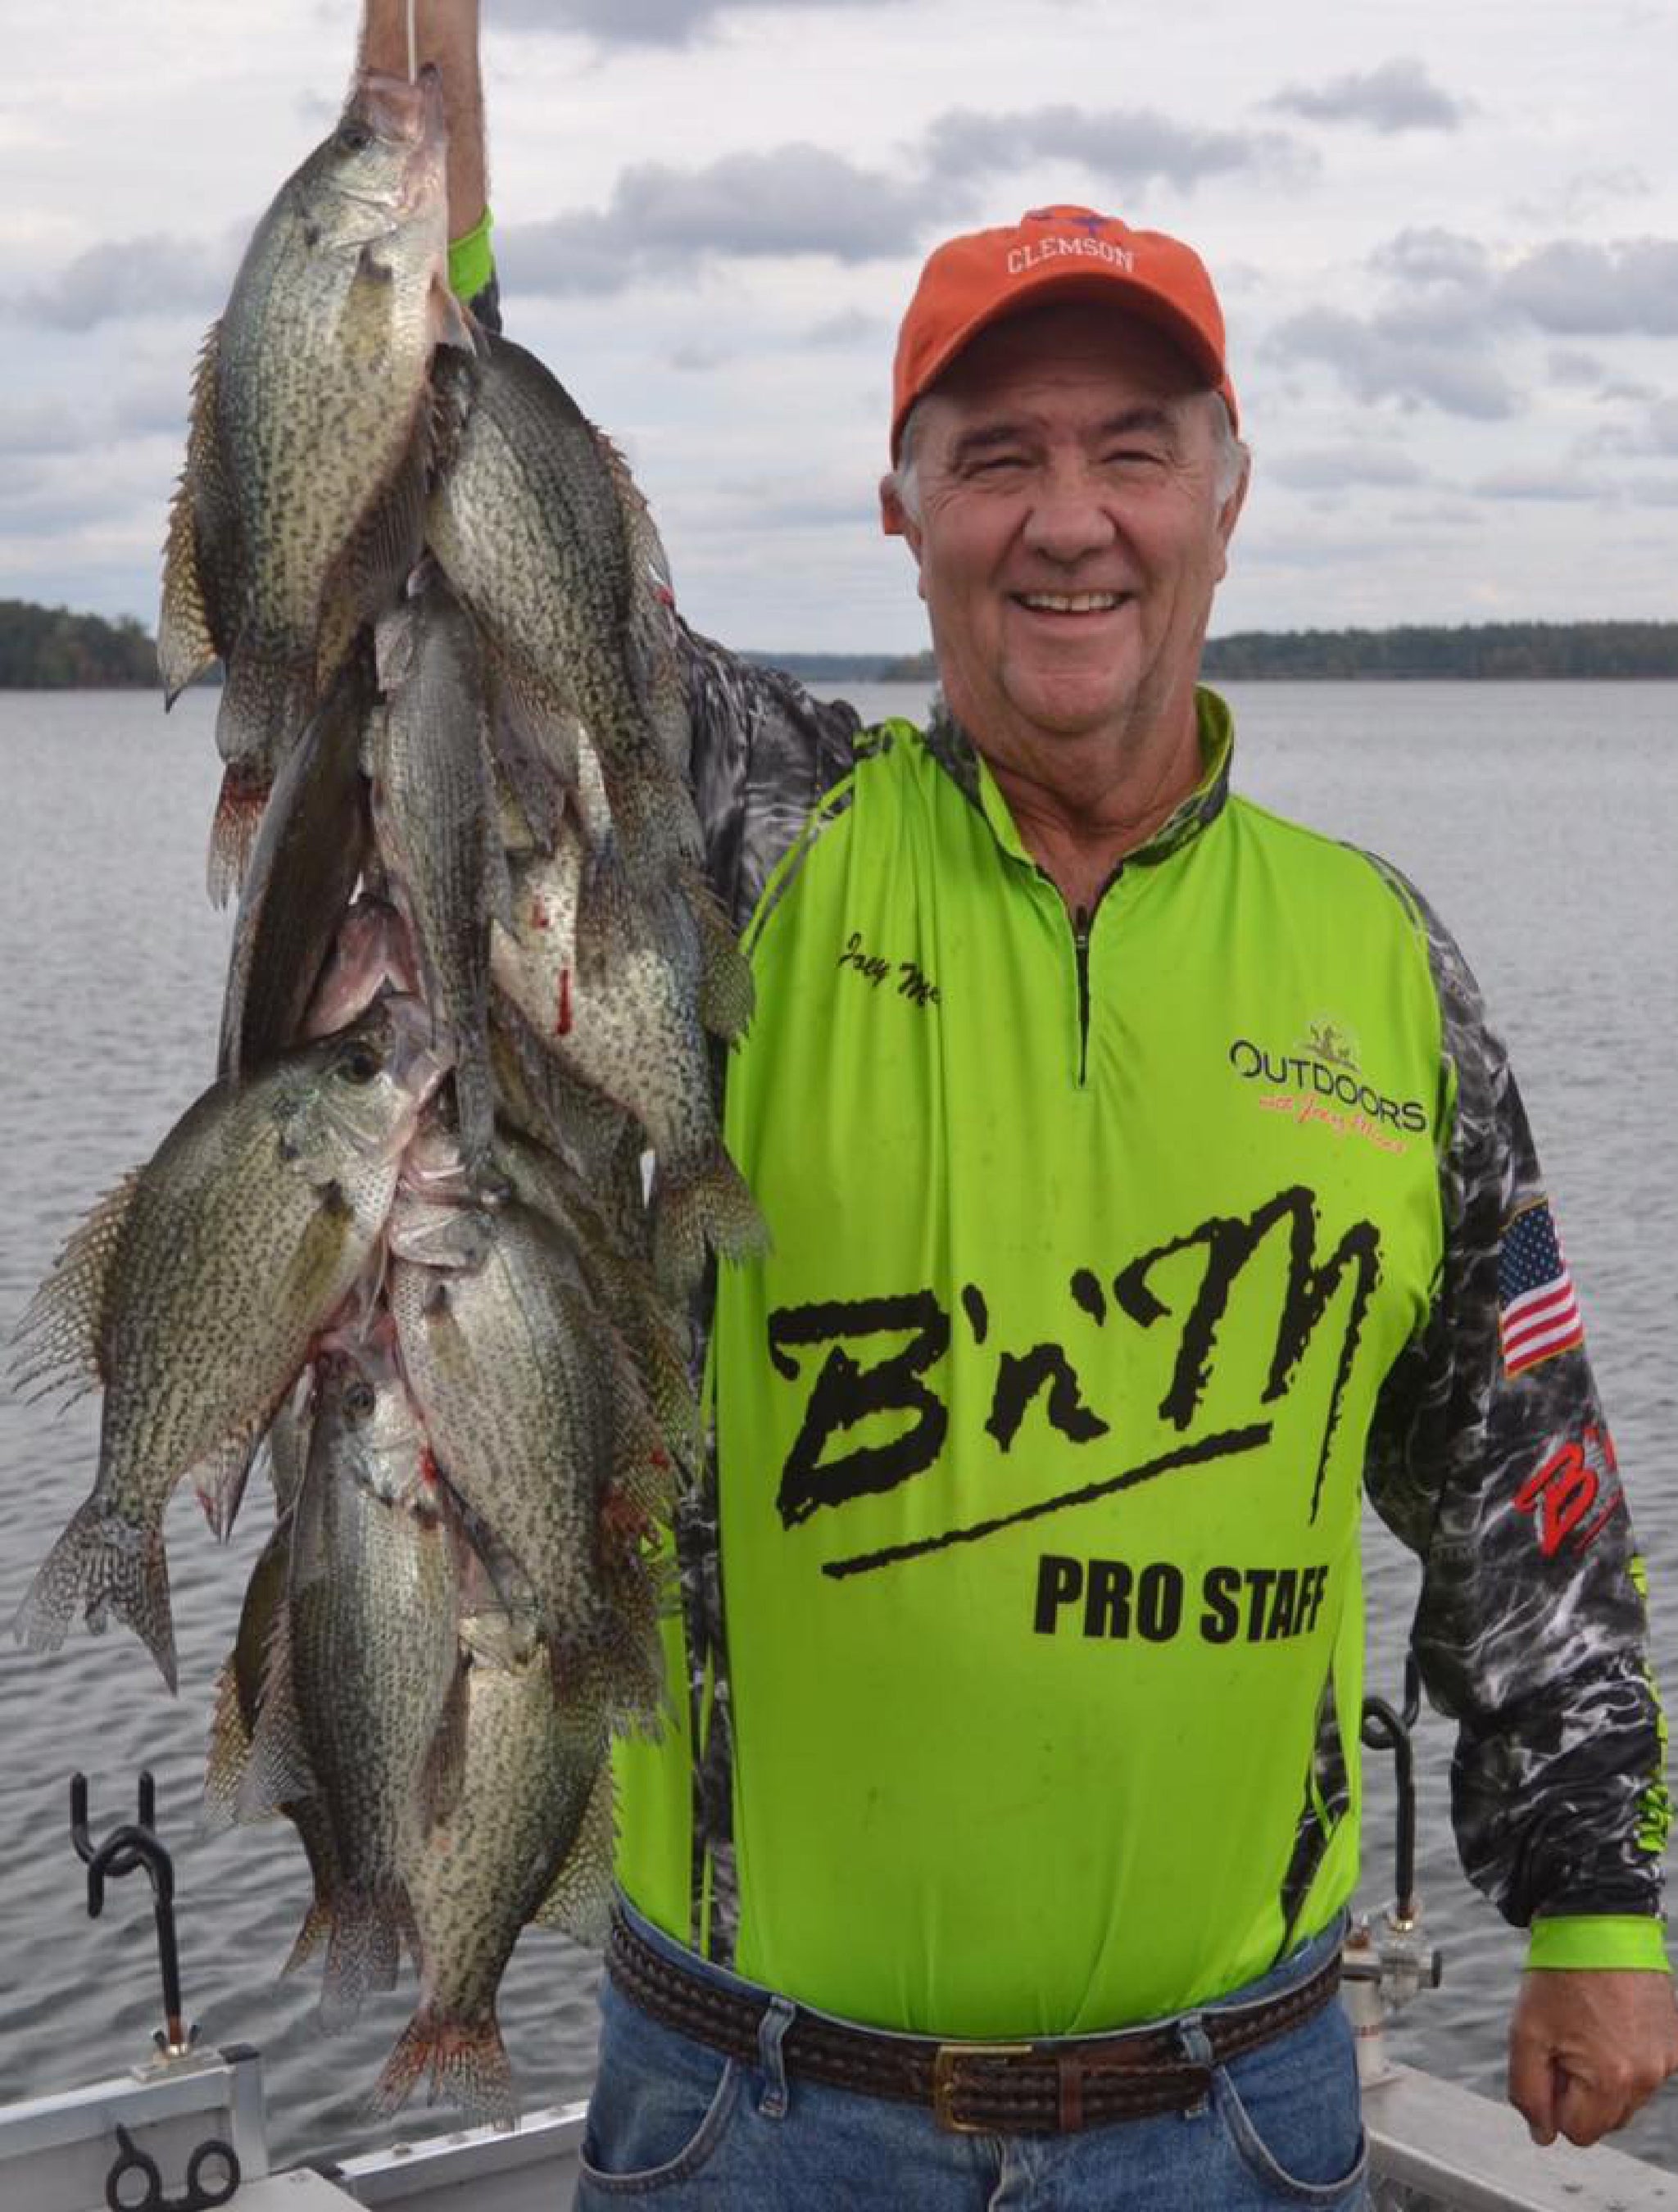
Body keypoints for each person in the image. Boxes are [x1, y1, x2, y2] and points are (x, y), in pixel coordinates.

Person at [366, 7, 1678, 2202]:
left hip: (1239, 2118)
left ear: (1231, 499)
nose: (1068, 522)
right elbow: (497, 572)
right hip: (760, 2112)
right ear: (903, 512)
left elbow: (1523, 1480)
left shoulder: (1383, 963)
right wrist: (430, 175)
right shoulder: (746, 848)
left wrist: (1602, 1899)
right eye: (995, 457)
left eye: (1134, 449)